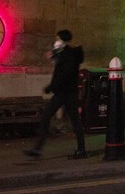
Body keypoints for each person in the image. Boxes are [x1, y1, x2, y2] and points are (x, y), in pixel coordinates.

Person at [24, 29, 87, 160]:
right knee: (48, 117)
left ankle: (81, 150)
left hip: (67, 93)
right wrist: (54, 57)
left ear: (63, 40)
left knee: (74, 121)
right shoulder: (65, 53)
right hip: (63, 92)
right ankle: (37, 149)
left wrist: (50, 87)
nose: (56, 41)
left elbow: (64, 74)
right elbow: (59, 67)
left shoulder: (69, 55)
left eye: (58, 38)